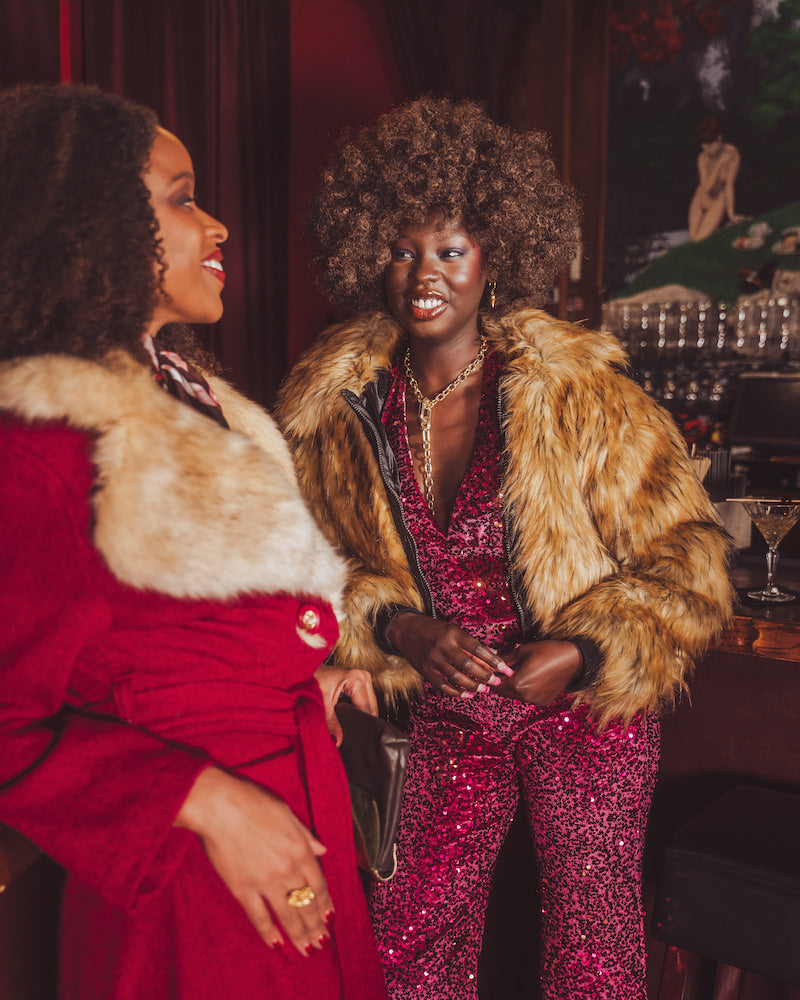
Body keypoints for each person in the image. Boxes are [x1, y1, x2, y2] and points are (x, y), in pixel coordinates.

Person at [275, 96, 734, 1000]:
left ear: (497, 256)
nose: (424, 274)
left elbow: (690, 558)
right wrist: (400, 628)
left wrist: (580, 649)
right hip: (446, 708)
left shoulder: (581, 396)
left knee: (593, 948)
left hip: (584, 706)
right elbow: (303, 565)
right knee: (408, 942)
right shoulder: (336, 410)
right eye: (403, 249)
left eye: (451, 249)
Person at [0, 83, 388, 1000]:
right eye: (181, 199)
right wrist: (200, 798)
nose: (214, 225)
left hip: (296, 809)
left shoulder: (191, 396)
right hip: (187, 879)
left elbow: (172, 633)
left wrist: (294, 672)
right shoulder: (47, 433)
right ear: (89, 221)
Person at [688, 116, 743, 241]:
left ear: (719, 138)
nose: (708, 150)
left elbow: (729, 185)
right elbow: (706, 187)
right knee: (692, 240)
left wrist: (731, 214)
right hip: (700, 198)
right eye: (704, 146)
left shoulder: (732, 154)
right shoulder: (702, 158)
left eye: (710, 146)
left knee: (699, 241)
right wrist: (719, 165)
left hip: (718, 200)